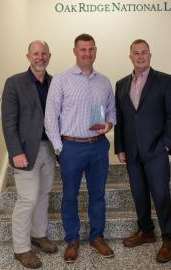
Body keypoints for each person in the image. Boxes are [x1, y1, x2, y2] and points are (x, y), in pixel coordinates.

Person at [44, 33, 116, 263]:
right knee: (70, 196)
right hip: (71, 147)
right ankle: (72, 240)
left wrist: (109, 124)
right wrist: (58, 147)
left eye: (91, 49)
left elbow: (112, 111)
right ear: (74, 51)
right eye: (83, 49)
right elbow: (50, 117)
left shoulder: (104, 81)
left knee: (98, 195)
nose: (87, 53)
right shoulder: (61, 80)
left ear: (96, 51)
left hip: (98, 146)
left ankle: (97, 237)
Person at [114, 39, 171, 263]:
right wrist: (120, 147)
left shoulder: (165, 81)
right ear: (130, 56)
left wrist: (166, 144)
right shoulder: (121, 84)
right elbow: (121, 119)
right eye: (136, 53)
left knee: (161, 195)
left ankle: (168, 238)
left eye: (144, 53)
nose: (140, 56)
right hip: (132, 152)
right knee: (139, 195)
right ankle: (146, 231)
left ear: (150, 55)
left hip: (156, 150)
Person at [1, 40, 58, 269]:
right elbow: (8, 122)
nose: (40, 57)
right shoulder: (14, 83)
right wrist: (16, 152)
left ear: (49, 56)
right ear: (28, 57)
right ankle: (21, 248)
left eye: (44, 53)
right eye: (36, 53)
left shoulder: (55, 83)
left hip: (49, 148)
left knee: (43, 194)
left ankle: (39, 234)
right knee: (28, 198)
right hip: (25, 151)